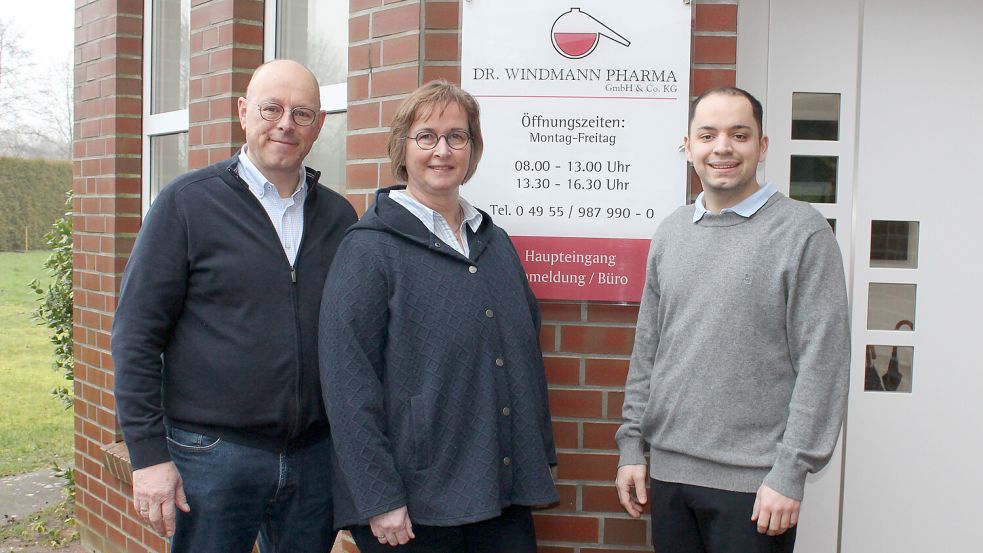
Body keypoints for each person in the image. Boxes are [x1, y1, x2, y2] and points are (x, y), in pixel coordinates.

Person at [111, 59, 357, 552]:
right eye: (272, 108)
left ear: (320, 125)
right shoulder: (186, 204)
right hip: (212, 457)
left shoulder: (338, 216)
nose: (286, 123)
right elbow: (135, 336)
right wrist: (148, 457)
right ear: (244, 112)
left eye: (302, 113)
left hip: (312, 457)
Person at [319, 80, 559, 552]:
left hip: (501, 494)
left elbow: (523, 358)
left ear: (472, 149)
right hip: (412, 508)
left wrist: (535, 457)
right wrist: (378, 496)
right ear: (401, 150)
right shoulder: (369, 250)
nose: (442, 150)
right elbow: (348, 384)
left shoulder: (495, 244)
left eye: (457, 136)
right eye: (426, 136)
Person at [615, 86, 850, 553]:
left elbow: (823, 362)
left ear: (762, 146)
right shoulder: (672, 231)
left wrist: (790, 471)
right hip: (669, 475)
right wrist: (631, 448)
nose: (722, 147)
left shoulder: (802, 232)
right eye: (708, 135)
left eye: (739, 134)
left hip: (756, 486)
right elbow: (649, 349)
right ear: (688, 147)